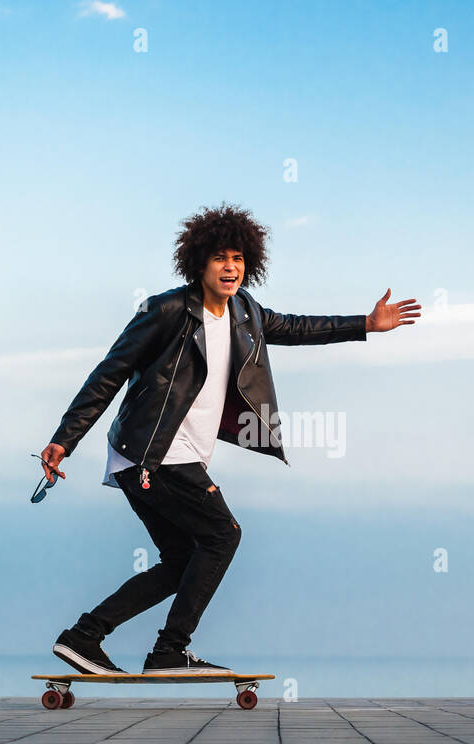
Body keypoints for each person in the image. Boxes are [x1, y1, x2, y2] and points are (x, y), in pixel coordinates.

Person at [37, 203, 419, 675]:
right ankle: (169, 652)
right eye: (220, 257)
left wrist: (365, 323)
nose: (230, 267)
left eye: (237, 258)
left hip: (170, 458)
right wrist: (65, 439)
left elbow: (299, 328)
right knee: (223, 535)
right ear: (199, 263)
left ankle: (83, 638)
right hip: (151, 453)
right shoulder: (167, 310)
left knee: (181, 560)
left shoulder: (246, 313)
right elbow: (110, 372)